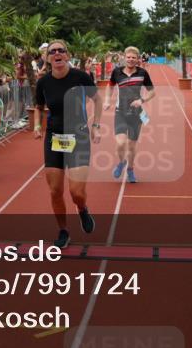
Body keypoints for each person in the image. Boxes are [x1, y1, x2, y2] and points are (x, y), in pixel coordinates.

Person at [33, 39, 102, 249]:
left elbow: (97, 100)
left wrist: (96, 125)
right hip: (55, 137)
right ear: (47, 57)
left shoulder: (80, 77)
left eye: (61, 50)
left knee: (76, 193)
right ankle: (63, 230)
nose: (57, 54)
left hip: (79, 136)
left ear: (67, 55)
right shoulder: (43, 82)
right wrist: (37, 125)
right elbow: (38, 106)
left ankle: (82, 209)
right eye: (52, 51)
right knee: (55, 190)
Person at [104, 46, 155, 184]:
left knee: (132, 146)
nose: (131, 60)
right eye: (128, 57)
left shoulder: (142, 73)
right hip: (120, 112)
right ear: (124, 58)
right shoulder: (117, 72)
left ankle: (130, 170)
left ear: (138, 59)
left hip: (136, 114)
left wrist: (142, 100)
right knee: (120, 143)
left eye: (133, 57)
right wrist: (107, 100)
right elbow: (110, 86)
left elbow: (152, 91)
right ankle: (122, 163)